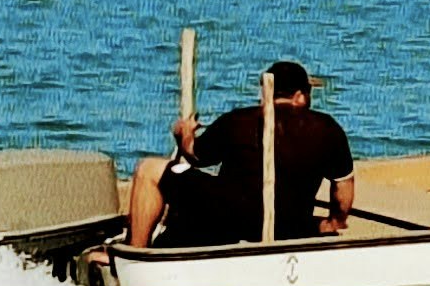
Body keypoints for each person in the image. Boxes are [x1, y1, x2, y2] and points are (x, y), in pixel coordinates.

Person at [125, 58, 354, 248]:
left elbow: (196, 156)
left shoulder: (238, 120)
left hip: (229, 220)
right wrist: (334, 221)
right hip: (291, 224)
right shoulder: (328, 128)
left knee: (150, 169)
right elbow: (343, 190)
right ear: (300, 96)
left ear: (267, 93)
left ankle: (135, 254)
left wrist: (184, 135)